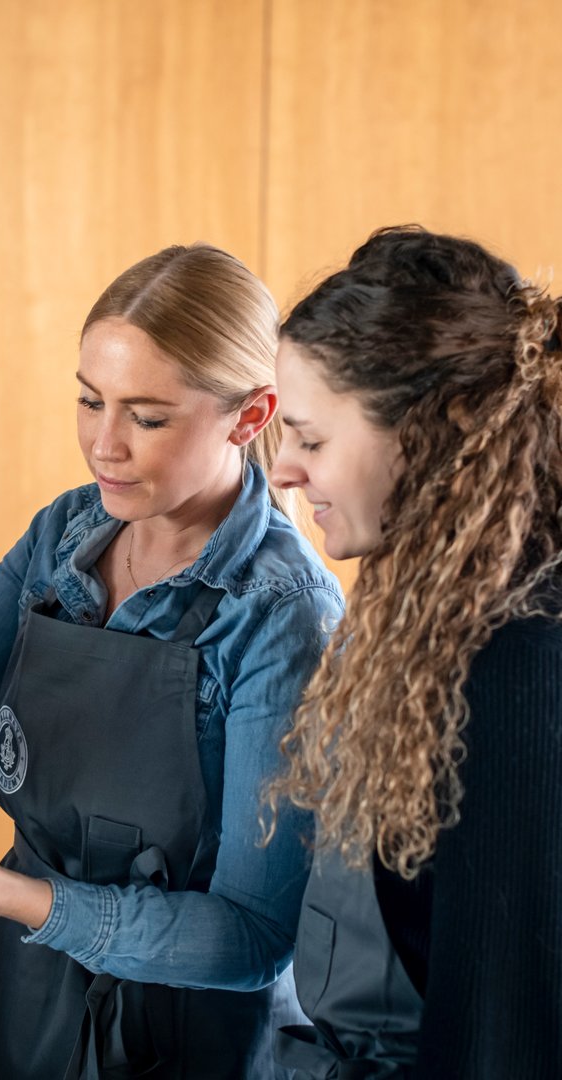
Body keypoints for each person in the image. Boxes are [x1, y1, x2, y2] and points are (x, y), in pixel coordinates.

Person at [0, 244, 346, 1078]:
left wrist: (14, 897)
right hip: (26, 1008)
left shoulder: (281, 611)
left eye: (147, 417)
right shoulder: (63, 537)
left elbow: (253, 942)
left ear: (251, 414)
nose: (105, 446)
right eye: (90, 402)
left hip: (189, 1040)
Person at [267, 225, 562, 1078]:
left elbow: (500, 1039)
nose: (282, 470)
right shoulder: (435, 592)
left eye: (312, 439)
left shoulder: (520, 658)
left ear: (438, 427)